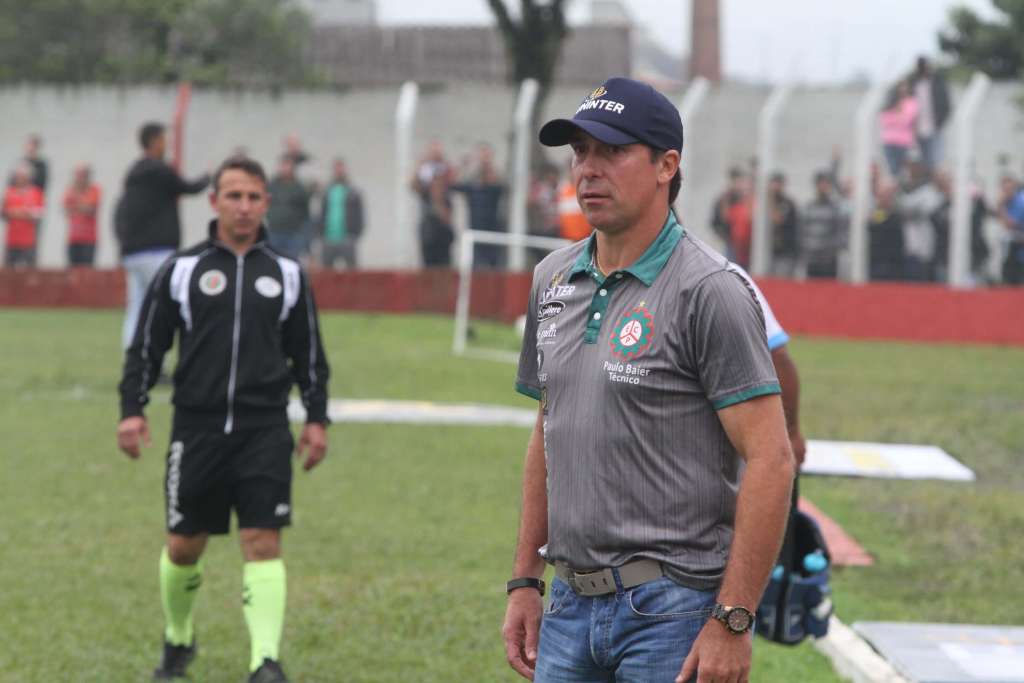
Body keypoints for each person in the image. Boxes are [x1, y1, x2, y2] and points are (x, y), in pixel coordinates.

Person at [503, 77, 795, 683]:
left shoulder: (709, 290)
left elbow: (771, 458)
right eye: (580, 151)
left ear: (667, 166)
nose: (587, 170)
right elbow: (547, 433)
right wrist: (525, 579)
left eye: (611, 152)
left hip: (673, 612)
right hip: (567, 603)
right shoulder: (552, 280)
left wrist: (733, 618)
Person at [117, 155, 330, 683]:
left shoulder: (286, 273)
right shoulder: (182, 269)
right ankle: (179, 637)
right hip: (197, 430)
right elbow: (146, 347)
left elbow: (309, 356)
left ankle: (265, 661)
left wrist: (316, 419)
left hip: (264, 430)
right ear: (213, 202)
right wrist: (132, 411)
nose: (244, 207)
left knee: (263, 541)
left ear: (266, 204)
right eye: (233, 196)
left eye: (254, 197)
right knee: (184, 546)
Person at [115, 122, 210, 350]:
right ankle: (155, 360)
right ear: (155, 141)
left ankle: (135, 356)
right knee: (166, 304)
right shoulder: (159, 170)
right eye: (164, 138)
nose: (167, 143)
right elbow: (189, 187)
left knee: (138, 306)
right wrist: (210, 177)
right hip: (156, 250)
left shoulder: (134, 173)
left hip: (133, 251)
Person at [451, 143, 506, 269]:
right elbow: (453, 184)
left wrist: (487, 164)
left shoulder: (495, 186)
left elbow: (499, 183)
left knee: (494, 267)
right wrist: (463, 165)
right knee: (475, 267)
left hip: (493, 233)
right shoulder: (472, 186)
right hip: (475, 233)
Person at [897, 161, 944, 282]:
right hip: (910, 247)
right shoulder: (913, 190)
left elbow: (926, 210)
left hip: (929, 248)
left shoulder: (931, 193)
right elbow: (904, 208)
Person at [411, 141, 455, 267]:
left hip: (443, 227)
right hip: (428, 227)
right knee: (428, 264)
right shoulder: (424, 176)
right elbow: (413, 185)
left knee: (444, 264)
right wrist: (420, 166)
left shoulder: (447, 172)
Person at [800, 169, 848, 278]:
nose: (823, 186)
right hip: (811, 259)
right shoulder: (808, 207)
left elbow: (841, 232)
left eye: (826, 183)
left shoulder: (836, 208)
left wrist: (832, 250)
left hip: (828, 260)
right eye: (821, 183)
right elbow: (802, 232)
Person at [319, 157, 364, 269]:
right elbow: (321, 213)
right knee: (327, 272)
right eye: (336, 169)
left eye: (341, 168)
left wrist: (356, 233)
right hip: (328, 238)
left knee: (351, 271)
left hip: (347, 238)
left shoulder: (353, 192)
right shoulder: (327, 191)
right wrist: (320, 232)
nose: (339, 171)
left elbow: (360, 215)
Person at [266, 157, 312, 261]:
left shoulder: (299, 188)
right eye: (283, 165)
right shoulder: (272, 186)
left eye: (288, 166)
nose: (285, 169)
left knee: (291, 261)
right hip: (274, 232)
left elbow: (305, 212)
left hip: (293, 234)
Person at [910, 56, 951, 171]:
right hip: (917, 130)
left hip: (934, 127)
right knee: (921, 160)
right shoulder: (913, 83)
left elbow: (945, 104)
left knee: (936, 160)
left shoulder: (937, 82)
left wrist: (940, 122)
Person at [2, 163, 45, 267]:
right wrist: (23, 213)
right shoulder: (9, 192)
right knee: (8, 271)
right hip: (11, 240)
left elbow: (37, 215)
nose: (19, 179)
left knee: (30, 272)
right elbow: (4, 213)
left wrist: (16, 213)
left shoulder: (36, 193)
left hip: (28, 242)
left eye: (22, 176)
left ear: (29, 177)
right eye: (18, 176)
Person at [63, 163, 101, 267]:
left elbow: (91, 210)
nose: (80, 178)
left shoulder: (94, 190)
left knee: (87, 272)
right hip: (73, 238)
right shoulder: (70, 190)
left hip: (89, 239)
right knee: (72, 271)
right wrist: (82, 206)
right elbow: (66, 210)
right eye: (78, 175)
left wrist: (75, 205)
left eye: (83, 175)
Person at [878, 80, 918, 179]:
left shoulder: (912, 102)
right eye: (901, 86)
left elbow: (906, 121)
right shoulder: (890, 101)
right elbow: (883, 121)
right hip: (889, 141)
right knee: (892, 169)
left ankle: (901, 188)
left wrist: (894, 115)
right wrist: (898, 115)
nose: (903, 89)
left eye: (905, 86)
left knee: (902, 169)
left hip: (903, 142)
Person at [867, 180, 906, 281]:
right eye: (882, 195)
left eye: (888, 195)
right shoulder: (876, 214)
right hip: (876, 261)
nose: (885, 198)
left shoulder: (896, 215)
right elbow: (873, 227)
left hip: (893, 264)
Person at [710, 166, 747, 259]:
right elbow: (719, 220)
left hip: (744, 244)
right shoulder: (725, 199)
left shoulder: (745, 198)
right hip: (731, 242)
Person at [768, 172, 800, 277]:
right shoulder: (767, 202)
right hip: (771, 251)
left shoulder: (787, 203)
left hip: (785, 252)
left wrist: (770, 198)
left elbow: (777, 219)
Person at [997, 174, 1024, 285]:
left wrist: (1000, 206)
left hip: (1019, 250)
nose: (1006, 192)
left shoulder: (1021, 202)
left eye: (1009, 189)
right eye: (1004, 189)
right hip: (1012, 248)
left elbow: (1011, 224)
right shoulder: (1010, 202)